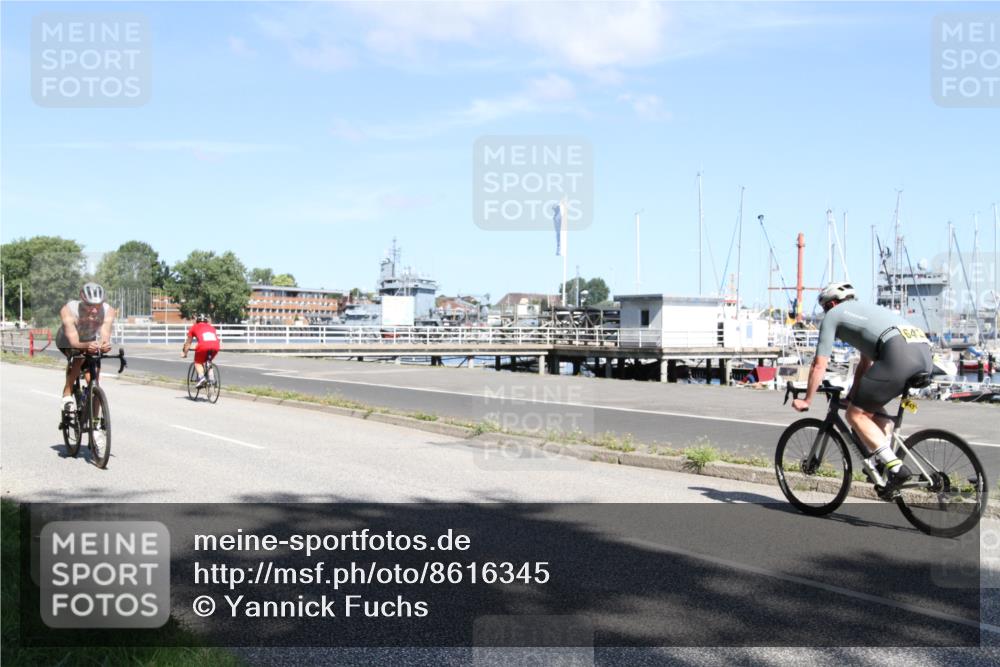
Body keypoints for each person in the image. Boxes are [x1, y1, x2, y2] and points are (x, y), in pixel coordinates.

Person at [791, 282, 932, 496]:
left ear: (831, 303)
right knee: (868, 410)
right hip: (923, 354)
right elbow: (865, 365)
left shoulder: (834, 315)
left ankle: (895, 467)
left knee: (854, 415)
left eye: (824, 308)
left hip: (898, 354)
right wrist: (853, 396)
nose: (825, 312)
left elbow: (819, 364)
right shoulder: (865, 313)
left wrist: (807, 400)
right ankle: (886, 465)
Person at [57, 282, 117, 419]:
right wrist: (87, 346)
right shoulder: (68, 310)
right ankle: (67, 393)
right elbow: (74, 342)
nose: (95, 310)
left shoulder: (108, 311)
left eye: (98, 305)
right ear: (82, 301)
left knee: (94, 380)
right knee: (80, 356)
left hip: (89, 340)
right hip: (66, 341)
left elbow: (105, 334)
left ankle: (94, 423)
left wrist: (104, 345)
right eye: (90, 305)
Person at [182, 314, 220, 388]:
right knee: (208, 361)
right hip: (215, 346)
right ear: (206, 321)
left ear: (197, 321)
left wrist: (185, 353)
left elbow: (188, 343)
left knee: (198, 362)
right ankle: (212, 379)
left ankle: (202, 378)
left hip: (203, 346)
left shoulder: (194, 327)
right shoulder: (212, 327)